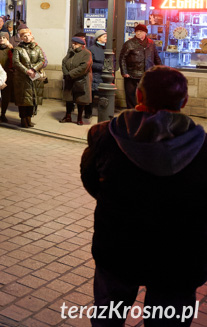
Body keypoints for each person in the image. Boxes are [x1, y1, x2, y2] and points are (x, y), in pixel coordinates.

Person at [81, 66, 207, 327]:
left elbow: (91, 180)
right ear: (184, 101)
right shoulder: (203, 148)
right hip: (179, 257)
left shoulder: (105, 135)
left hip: (117, 247)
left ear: (139, 96)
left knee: (107, 320)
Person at [119, 23, 162, 109]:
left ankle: (144, 111)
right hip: (132, 74)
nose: (138, 33)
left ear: (145, 32)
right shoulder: (129, 43)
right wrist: (124, 72)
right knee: (131, 95)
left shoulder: (151, 43)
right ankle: (132, 112)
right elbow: (122, 58)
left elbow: (156, 57)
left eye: (141, 31)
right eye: (137, 31)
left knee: (146, 94)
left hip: (147, 74)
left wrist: (161, 70)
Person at [12, 25, 47, 128]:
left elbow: (42, 60)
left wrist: (33, 69)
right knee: (23, 100)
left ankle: (29, 118)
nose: (26, 38)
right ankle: (23, 119)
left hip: (34, 77)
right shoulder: (18, 49)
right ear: (21, 38)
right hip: (22, 78)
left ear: (31, 36)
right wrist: (26, 71)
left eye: (28, 35)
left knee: (32, 100)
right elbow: (16, 62)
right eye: (24, 36)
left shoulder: (37, 48)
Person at [61, 36, 93, 126]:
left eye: (75, 44)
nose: (73, 45)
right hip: (69, 79)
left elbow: (84, 67)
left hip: (81, 80)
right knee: (69, 99)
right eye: (73, 43)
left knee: (80, 100)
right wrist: (66, 73)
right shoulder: (70, 52)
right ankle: (68, 116)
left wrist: (70, 74)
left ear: (81, 45)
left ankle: (79, 118)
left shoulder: (86, 53)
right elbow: (64, 62)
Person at [0, 33, 15, 124]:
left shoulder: (10, 50)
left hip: (8, 76)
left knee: (6, 97)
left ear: (7, 39)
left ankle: (3, 114)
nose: (2, 39)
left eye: (4, 38)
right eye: (0, 38)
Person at [86, 30, 108, 120]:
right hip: (95, 76)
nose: (106, 38)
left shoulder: (107, 48)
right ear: (98, 38)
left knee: (103, 96)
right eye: (104, 36)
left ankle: (102, 113)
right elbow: (90, 63)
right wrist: (102, 67)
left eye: (106, 36)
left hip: (104, 77)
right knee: (91, 96)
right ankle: (88, 113)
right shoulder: (92, 49)